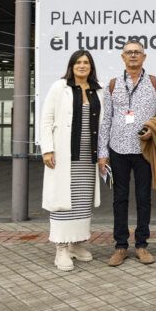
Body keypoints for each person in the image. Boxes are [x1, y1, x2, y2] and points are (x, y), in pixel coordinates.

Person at [98, 39, 156, 267]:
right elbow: (106, 120)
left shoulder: (155, 83)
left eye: (137, 52)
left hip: (144, 150)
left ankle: (141, 245)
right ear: (123, 57)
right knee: (119, 199)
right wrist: (102, 153)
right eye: (129, 52)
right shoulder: (112, 85)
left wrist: (153, 129)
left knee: (143, 198)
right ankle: (120, 246)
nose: (133, 56)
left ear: (144, 57)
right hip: (117, 149)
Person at [40, 50, 104, 272]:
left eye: (86, 62)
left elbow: (103, 125)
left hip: (88, 157)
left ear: (91, 67)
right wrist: (47, 149)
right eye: (78, 62)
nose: (82, 65)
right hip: (64, 155)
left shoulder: (98, 89)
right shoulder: (59, 87)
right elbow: (46, 119)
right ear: (71, 65)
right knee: (63, 200)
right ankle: (61, 248)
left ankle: (76, 244)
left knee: (82, 200)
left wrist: (103, 155)